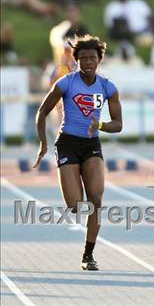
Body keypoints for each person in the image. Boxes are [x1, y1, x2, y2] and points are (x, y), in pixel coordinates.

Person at [33, 35, 123, 270]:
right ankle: (73, 184)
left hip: (92, 144)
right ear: (76, 61)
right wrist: (43, 144)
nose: (88, 62)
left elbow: (118, 124)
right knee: (76, 206)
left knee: (96, 201)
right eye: (83, 58)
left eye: (92, 57)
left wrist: (100, 125)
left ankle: (88, 255)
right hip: (67, 144)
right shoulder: (66, 83)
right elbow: (42, 112)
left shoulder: (108, 87)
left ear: (99, 59)